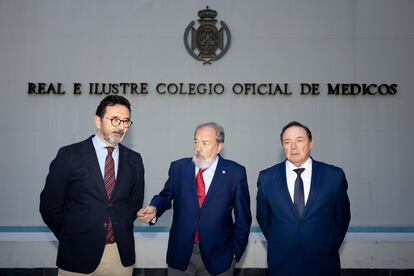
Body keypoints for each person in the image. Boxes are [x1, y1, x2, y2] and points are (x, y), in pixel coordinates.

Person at [40, 95, 145, 276]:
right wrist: (71, 238)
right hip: (76, 255)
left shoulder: (134, 160)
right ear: (98, 120)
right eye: (115, 120)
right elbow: (50, 208)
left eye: (126, 121)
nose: (121, 127)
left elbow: (133, 204)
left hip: (119, 257)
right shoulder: (69, 155)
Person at [138, 122, 252, 276]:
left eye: (205, 143)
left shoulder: (235, 173)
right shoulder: (179, 168)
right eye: (196, 141)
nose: (198, 148)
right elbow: (165, 196)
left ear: (219, 146)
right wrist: (155, 208)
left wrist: (234, 254)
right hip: (180, 254)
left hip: (219, 257)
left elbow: (243, 219)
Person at [256, 121, 350, 276]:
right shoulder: (267, 178)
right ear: (283, 147)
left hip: (323, 262)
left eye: (299, 140)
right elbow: (263, 219)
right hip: (282, 263)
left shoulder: (333, 176)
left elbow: (342, 218)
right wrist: (282, 242)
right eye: (288, 142)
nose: (293, 147)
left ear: (311, 143)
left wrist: (328, 245)